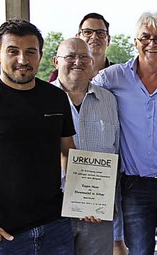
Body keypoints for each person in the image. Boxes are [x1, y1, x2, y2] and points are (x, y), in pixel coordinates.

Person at [92, 12, 157, 255]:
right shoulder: (113, 77)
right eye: (145, 37)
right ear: (135, 42)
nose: (152, 44)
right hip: (135, 187)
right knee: (139, 252)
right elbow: (80, 90)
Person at [0, 20, 76, 254]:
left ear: (40, 55)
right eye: (13, 51)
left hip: (55, 228)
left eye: (30, 52)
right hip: (3, 236)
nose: (22, 60)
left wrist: (81, 197)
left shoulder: (56, 98)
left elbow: (68, 151)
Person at [51, 37, 120, 255]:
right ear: (55, 61)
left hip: (98, 213)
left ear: (92, 62)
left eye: (84, 57)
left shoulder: (109, 101)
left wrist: (105, 200)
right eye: (70, 56)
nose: (77, 62)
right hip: (54, 212)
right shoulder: (42, 99)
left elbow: (116, 151)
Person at [49, 13, 114, 82]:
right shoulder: (59, 75)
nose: (94, 37)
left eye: (100, 33)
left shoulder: (119, 75)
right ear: (78, 37)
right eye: (87, 32)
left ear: (108, 40)